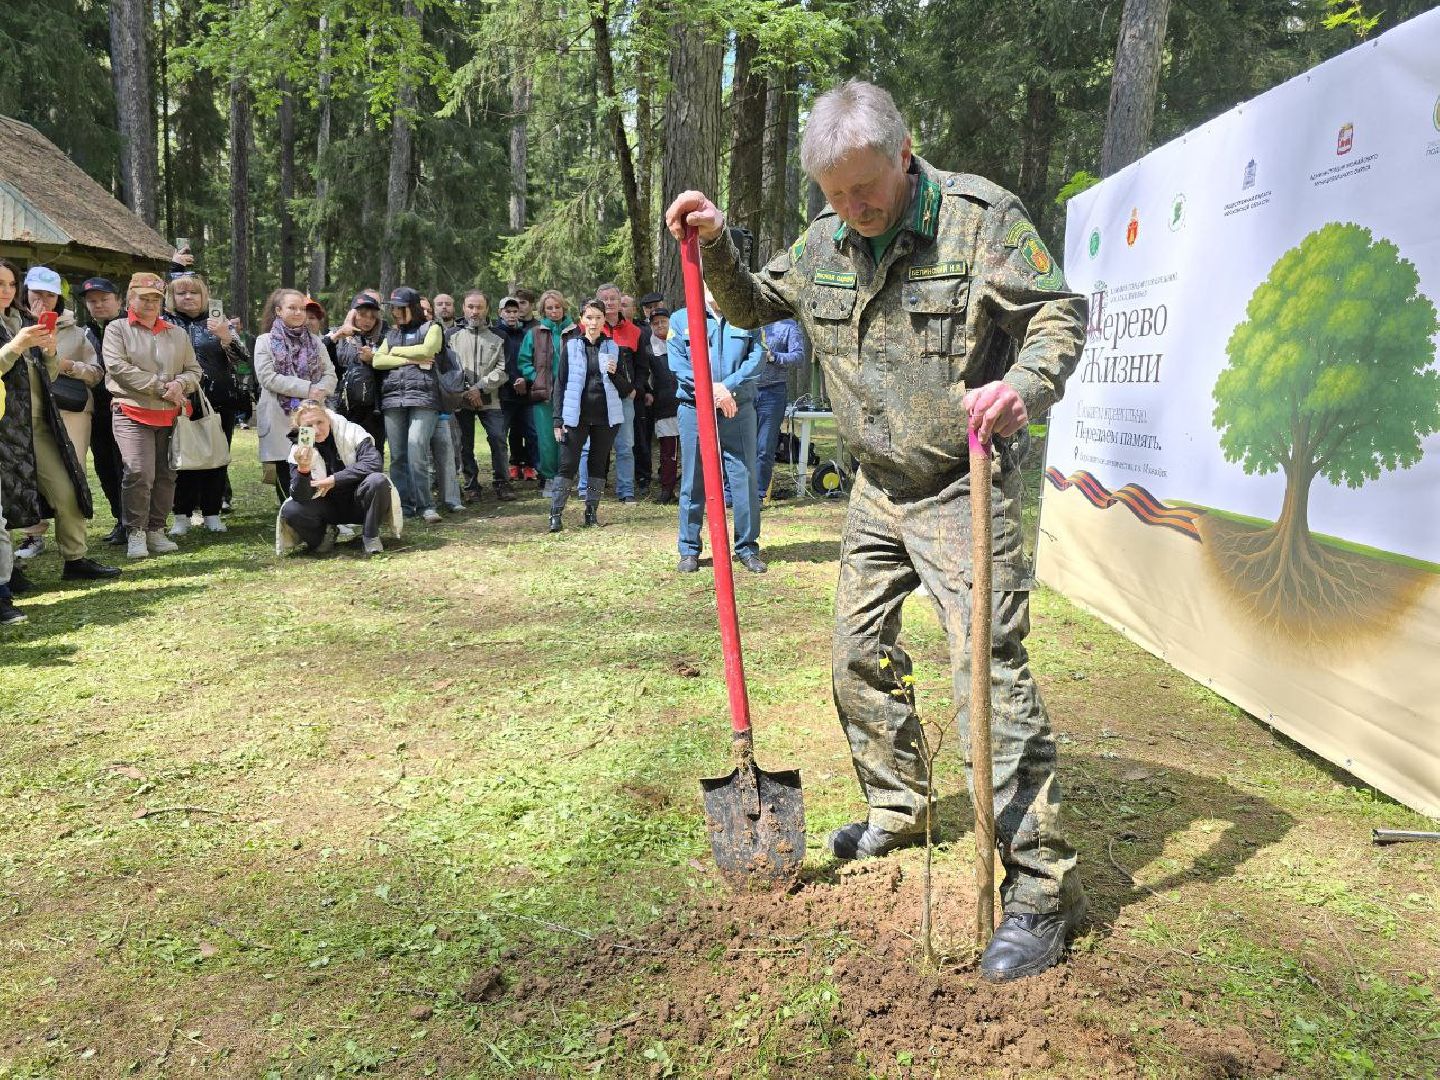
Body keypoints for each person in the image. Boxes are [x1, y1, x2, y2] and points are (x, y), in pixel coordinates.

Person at [665, 79, 1088, 983]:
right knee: (854, 658)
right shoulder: (823, 240)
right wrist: (717, 245)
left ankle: (1042, 890)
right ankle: (899, 808)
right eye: (834, 196)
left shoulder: (979, 219)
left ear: (904, 155)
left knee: (990, 679)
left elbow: (1058, 312)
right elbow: (750, 306)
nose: (852, 213)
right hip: (874, 492)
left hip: (959, 485)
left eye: (865, 192)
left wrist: (1026, 386)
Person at [9, 266, 112, 577]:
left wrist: (52, 352)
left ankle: (75, 559)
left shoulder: (62, 330)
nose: (43, 300)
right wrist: (19, 343)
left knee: (68, 489)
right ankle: (8, 573)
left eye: (50, 295)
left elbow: (57, 374)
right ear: (24, 292)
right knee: (8, 499)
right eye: (37, 292)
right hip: (8, 424)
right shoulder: (10, 324)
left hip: (45, 423)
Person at [103, 271, 204, 560]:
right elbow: (118, 368)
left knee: (166, 474)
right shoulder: (117, 329)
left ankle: (156, 530)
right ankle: (135, 531)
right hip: (131, 411)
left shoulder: (176, 332)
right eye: (143, 297)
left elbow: (193, 370)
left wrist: (180, 384)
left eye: (155, 298)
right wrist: (161, 387)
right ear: (129, 299)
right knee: (138, 472)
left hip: (169, 414)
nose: (150, 303)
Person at [667, 291, 765, 574]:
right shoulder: (681, 318)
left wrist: (727, 387)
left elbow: (756, 358)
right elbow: (679, 366)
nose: (716, 289)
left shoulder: (746, 315)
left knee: (744, 477)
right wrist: (714, 392)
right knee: (693, 478)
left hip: (738, 408)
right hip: (695, 408)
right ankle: (689, 549)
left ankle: (747, 548)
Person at [165, 273, 245, 535]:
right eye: (181, 293)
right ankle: (181, 515)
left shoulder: (218, 322)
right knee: (182, 457)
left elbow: (243, 361)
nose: (188, 297)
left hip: (219, 400)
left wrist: (225, 337)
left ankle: (212, 512)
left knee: (216, 456)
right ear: (172, 297)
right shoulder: (165, 323)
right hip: (179, 400)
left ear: (204, 296)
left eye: (194, 293)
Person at [548, 299, 632, 532]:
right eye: (589, 317)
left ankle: (591, 512)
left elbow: (627, 388)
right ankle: (555, 514)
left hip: (606, 417)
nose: (593, 322)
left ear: (604, 320)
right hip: (576, 417)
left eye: (598, 317)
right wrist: (558, 420)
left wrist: (615, 375)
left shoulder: (613, 347)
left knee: (597, 464)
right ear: (581, 320)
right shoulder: (571, 346)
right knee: (567, 464)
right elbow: (560, 384)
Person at [278, 400, 399, 556]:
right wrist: (303, 470)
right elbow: (300, 496)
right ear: (301, 429)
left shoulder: (352, 431)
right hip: (325, 506)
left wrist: (333, 479)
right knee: (291, 509)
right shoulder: (298, 448)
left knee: (377, 481)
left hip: (359, 501)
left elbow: (373, 462)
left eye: (320, 422)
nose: (316, 430)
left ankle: (370, 536)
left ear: (329, 418)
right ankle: (323, 537)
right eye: (308, 426)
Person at [255, 288, 337, 500]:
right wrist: (306, 388)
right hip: (280, 415)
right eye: (292, 308)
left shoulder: (316, 342)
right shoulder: (264, 341)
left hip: (311, 413)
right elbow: (267, 377)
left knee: (311, 458)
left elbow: (330, 374)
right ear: (279, 311)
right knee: (286, 464)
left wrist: (319, 392)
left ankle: (317, 511)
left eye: (302, 309)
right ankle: (289, 513)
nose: (299, 313)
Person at [373, 286, 444, 523]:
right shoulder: (391, 334)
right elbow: (377, 360)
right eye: (393, 308)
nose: (395, 312)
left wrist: (395, 353)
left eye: (399, 308)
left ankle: (426, 505)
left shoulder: (431, 328)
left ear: (412, 308)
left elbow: (428, 349)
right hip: (393, 399)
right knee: (398, 456)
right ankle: (404, 505)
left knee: (416, 448)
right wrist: (408, 358)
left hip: (424, 398)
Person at [580, 282, 648, 502]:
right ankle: (585, 490)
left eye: (613, 299)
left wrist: (636, 390)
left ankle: (626, 491)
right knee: (589, 446)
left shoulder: (634, 331)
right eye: (604, 299)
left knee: (625, 446)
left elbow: (642, 366)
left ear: (621, 303)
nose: (608, 303)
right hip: (593, 397)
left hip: (622, 398)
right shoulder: (586, 329)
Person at [449, 290, 510, 502]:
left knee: (498, 439)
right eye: (470, 307)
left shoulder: (499, 336)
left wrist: (480, 388)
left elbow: (503, 369)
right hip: (461, 399)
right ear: (463, 308)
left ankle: (502, 482)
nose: (475, 312)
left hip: (490, 398)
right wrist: (467, 389)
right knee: (465, 443)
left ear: (487, 309)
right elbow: (449, 368)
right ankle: (471, 484)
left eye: (479, 307)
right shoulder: (451, 336)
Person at [80, 277, 127, 543]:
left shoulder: (129, 327)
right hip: (96, 409)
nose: (98, 305)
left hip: (127, 406)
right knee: (104, 467)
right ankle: (120, 519)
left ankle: (133, 522)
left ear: (118, 301)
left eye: (104, 299)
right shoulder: (84, 331)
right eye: (92, 301)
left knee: (127, 468)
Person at [517, 289, 573, 498]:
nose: (554, 311)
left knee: (569, 437)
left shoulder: (574, 331)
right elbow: (523, 361)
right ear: (542, 310)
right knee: (548, 439)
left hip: (570, 394)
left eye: (557, 307)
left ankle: (566, 478)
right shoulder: (534, 333)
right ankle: (550, 478)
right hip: (544, 394)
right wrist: (537, 377)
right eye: (549, 308)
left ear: (564, 307)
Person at [327, 292, 387, 451]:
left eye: (372, 317)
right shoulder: (335, 334)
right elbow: (320, 355)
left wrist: (373, 360)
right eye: (362, 315)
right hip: (341, 405)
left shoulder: (382, 340)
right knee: (344, 451)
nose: (367, 321)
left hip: (371, 409)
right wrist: (340, 334)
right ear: (352, 314)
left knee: (372, 451)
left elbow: (389, 371)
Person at [754, 318, 806, 502]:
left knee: (764, 447)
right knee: (742, 446)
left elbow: (799, 357)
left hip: (772, 393)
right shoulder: (746, 321)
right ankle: (735, 493)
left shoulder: (788, 325)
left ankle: (759, 494)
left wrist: (775, 356)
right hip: (745, 390)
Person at [492, 296, 534, 484]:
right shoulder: (494, 334)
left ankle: (532, 467)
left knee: (532, 432)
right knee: (501, 435)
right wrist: (511, 381)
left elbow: (531, 359)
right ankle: (502, 474)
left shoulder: (526, 333)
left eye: (515, 311)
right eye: (507, 311)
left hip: (526, 393)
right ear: (500, 312)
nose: (511, 315)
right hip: (503, 394)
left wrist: (525, 380)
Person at [647, 308, 680, 503]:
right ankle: (667, 489)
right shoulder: (648, 349)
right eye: (656, 323)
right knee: (668, 452)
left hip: (687, 403)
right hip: (664, 406)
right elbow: (643, 375)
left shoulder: (683, 342)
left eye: (663, 321)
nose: (660, 325)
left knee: (694, 450)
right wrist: (648, 393)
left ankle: (694, 488)